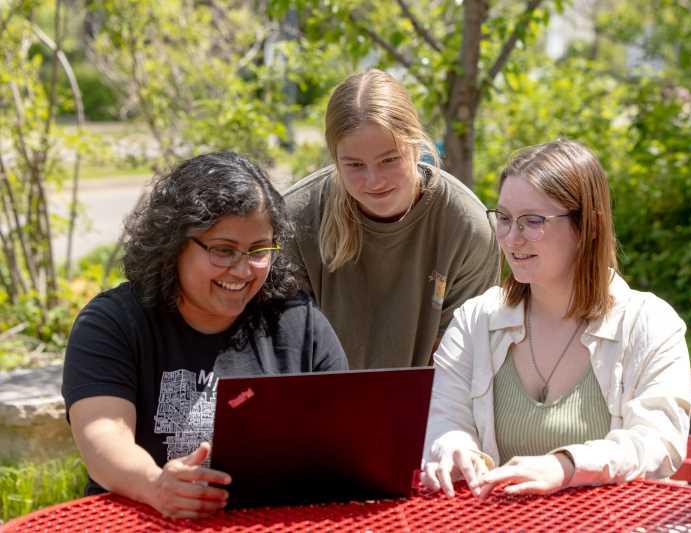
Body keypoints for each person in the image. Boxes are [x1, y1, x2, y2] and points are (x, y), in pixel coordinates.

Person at [62, 152, 348, 519]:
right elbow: (103, 436)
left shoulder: (297, 322)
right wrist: (154, 484)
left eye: (260, 250)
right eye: (223, 250)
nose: (243, 269)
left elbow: (344, 438)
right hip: (143, 521)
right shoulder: (113, 324)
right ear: (174, 244)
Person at [421, 139, 691, 498]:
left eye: (532, 222)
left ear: (589, 227)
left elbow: (659, 442)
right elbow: (445, 417)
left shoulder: (650, 323)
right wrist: (453, 445)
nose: (511, 238)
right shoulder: (476, 321)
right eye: (503, 219)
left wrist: (566, 466)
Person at [283, 69, 501, 369]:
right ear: (335, 159)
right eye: (355, 165)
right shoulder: (293, 220)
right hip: (315, 405)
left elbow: (460, 368)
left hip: (428, 408)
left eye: (389, 160)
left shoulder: (467, 228)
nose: (374, 181)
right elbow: (284, 352)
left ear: (415, 145)